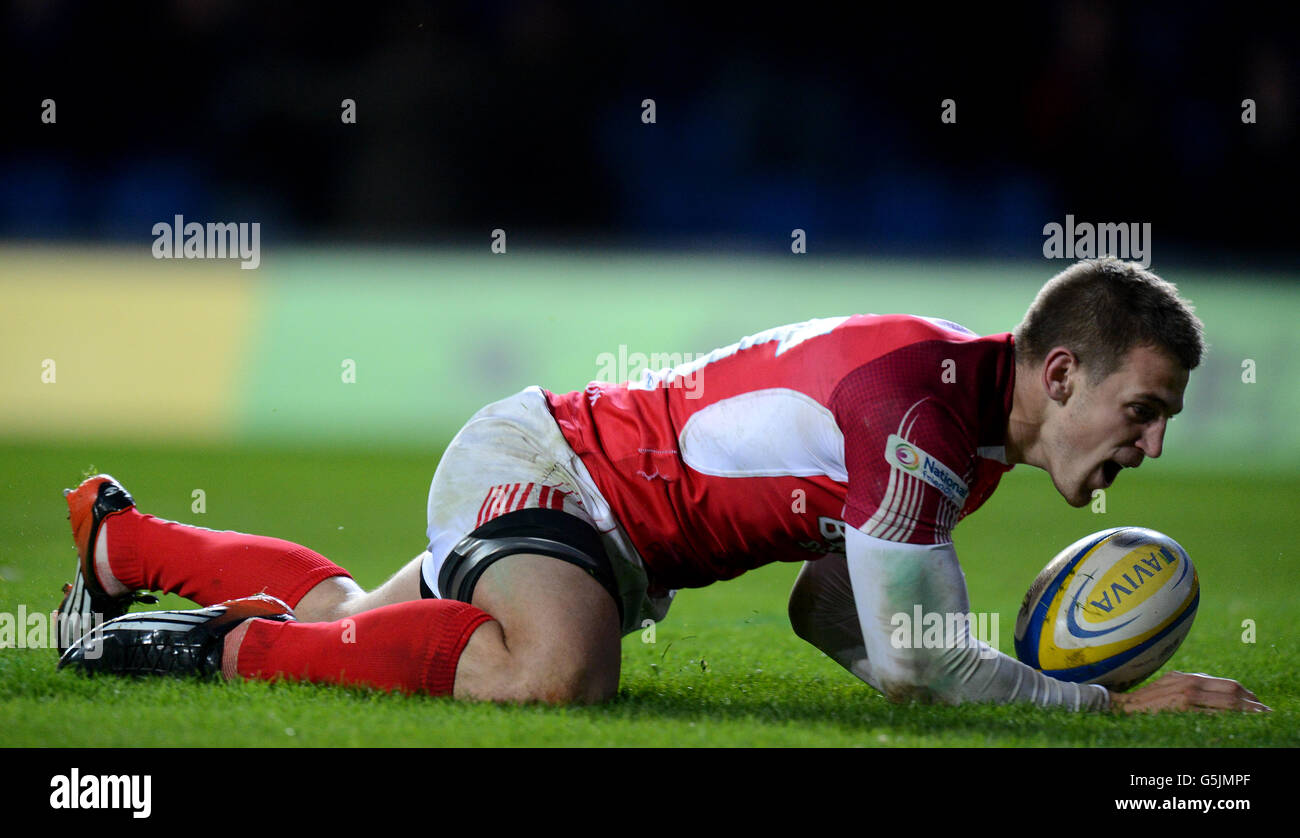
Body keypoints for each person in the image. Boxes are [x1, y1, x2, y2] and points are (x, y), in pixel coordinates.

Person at [57, 258, 1267, 713]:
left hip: (582, 502)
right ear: (1062, 373)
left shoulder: (962, 418)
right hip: (556, 478)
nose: (1149, 444)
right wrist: (1096, 711)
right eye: (1141, 408)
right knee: (555, 673)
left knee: (350, 631)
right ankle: (194, 649)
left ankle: (122, 544)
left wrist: (936, 662)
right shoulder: (920, 416)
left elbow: (827, 608)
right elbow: (914, 658)